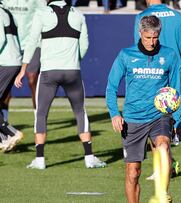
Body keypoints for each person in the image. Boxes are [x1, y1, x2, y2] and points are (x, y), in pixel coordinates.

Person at [14, 0, 106, 169]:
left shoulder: (41, 14)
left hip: (49, 72)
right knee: (80, 111)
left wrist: (23, 69)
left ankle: (40, 160)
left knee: (41, 114)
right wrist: (74, 61)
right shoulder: (78, 14)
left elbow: (31, 42)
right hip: (73, 71)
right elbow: (84, 45)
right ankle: (89, 157)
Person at [106, 15, 181, 203]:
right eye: (148, 37)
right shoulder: (126, 55)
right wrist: (115, 114)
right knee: (133, 173)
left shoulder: (170, 55)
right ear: (140, 33)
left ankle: (162, 195)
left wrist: (177, 120)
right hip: (132, 119)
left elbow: (175, 92)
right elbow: (111, 87)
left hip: (159, 116)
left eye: (155, 37)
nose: (152, 42)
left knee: (163, 147)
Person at [134, 0, 181, 178]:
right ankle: (167, 161)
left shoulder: (142, 17)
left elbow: (138, 48)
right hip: (173, 71)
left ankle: (161, 166)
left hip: (152, 72)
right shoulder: (177, 16)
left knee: (153, 116)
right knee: (171, 112)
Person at [1, 0, 47, 118]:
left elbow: (45, 13)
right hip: (12, 45)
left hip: (32, 44)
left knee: (32, 79)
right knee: (6, 87)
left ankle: (39, 119)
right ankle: (4, 121)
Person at [0, 0, 24, 152]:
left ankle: (11, 133)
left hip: (6, 61)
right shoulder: (6, 11)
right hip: (13, 60)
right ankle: (4, 140)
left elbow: (0, 39)